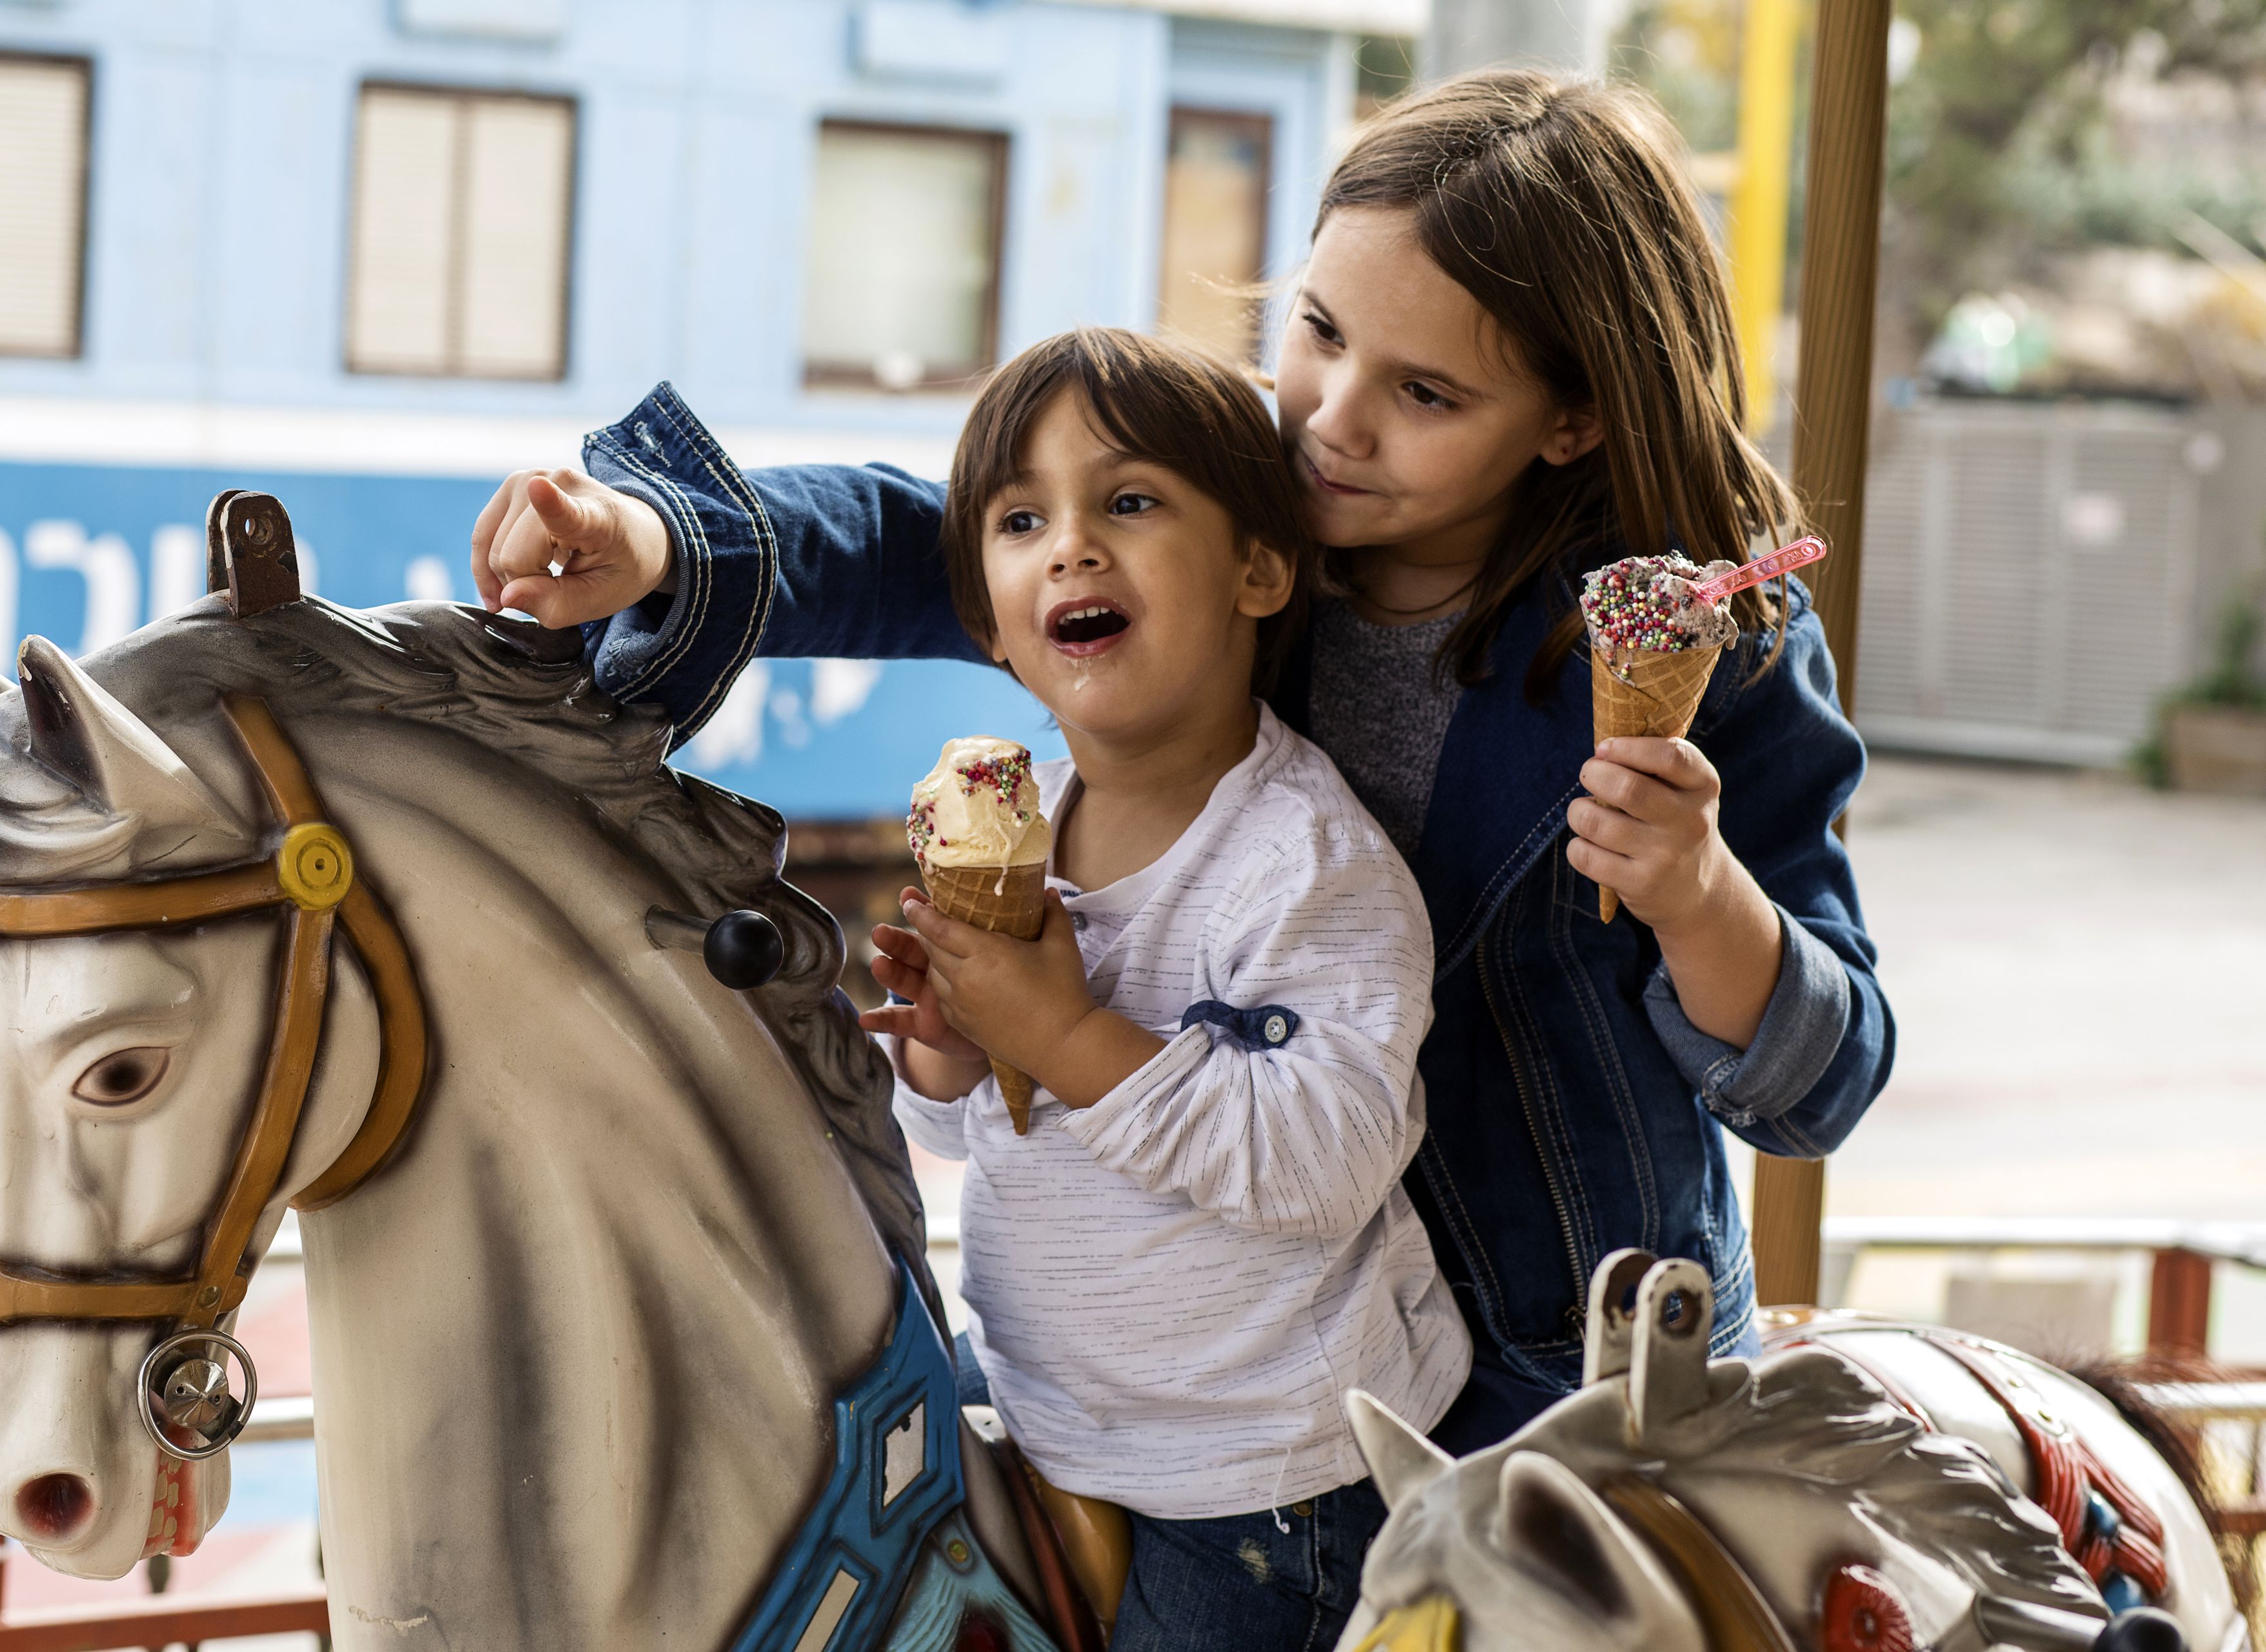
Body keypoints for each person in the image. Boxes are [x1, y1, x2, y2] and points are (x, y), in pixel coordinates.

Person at [469, 69, 1893, 1458]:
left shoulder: (1720, 648)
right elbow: (936, 533)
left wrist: (1703, 899)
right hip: (1205, 1358)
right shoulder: (1235, 521)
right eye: (1321, 330)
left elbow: (1816, 1087)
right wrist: (657, 538)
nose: (1332, 415)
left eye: (1426, 393)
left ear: (1572, 417)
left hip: (1555, 1380)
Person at [853, 325, 1463, 1650]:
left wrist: (1063, 1029)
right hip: (1048, 1409)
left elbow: (1322, 1162)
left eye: (1128, 501)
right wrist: (961, 1060)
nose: (1072, 543)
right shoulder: (1025, 828)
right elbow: (1004, 1128)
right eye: (1024, 519)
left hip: (1256, 1483)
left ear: (1258, 565)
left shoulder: (1306, 863)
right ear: (992, 620)